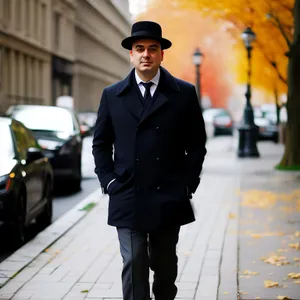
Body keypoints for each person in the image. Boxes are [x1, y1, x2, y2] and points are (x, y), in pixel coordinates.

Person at [92, 21, 207, 300]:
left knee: (165, 266)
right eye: (139, 49)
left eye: (152, 49)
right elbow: (100, 144)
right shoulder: (112, 95)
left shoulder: (183, 93)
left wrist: (187, 185)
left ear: (161, 54)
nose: (146, 54)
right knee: (134, 262)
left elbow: (196, 145)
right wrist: (109, 181)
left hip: (168, 194)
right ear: (131, 54)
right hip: (127, 194)